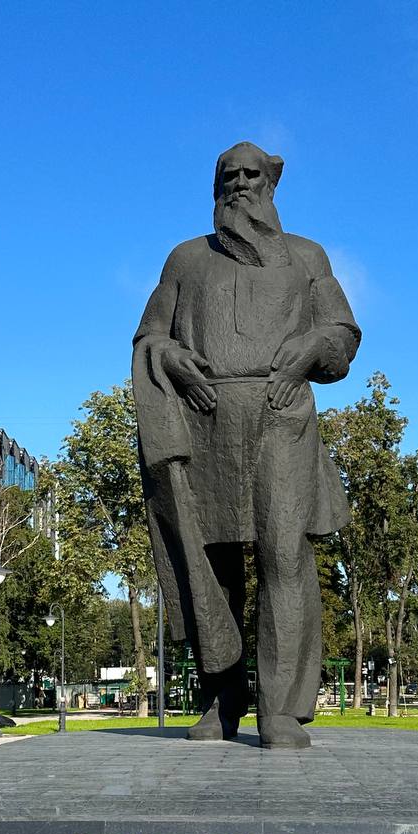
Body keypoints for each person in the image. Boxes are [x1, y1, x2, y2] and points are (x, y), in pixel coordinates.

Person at [132, 142, 361, 748]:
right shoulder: (186, 259)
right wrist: (171, 358)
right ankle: (222, 699)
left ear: (271, 183)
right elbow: (149, 336)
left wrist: (310, 352)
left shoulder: (308, 257)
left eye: (250, 174)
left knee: (284, 556)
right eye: (228, 176)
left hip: (281, 418)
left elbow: (342, 334)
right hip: (204, 420)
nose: (239, 184)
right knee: (214, 566)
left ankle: (280, 709)